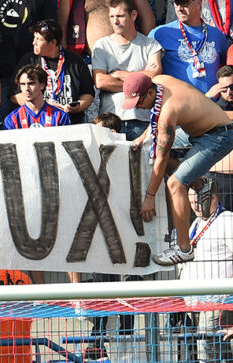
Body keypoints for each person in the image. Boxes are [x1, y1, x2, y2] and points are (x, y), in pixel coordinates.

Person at [124, 72, 233, 266]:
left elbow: (160, 159)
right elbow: (155, 125)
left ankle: (184, 249)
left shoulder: (168, 112)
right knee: (150, 145)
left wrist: (149, 197)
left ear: (149, 93)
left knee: (175, 184)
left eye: (138, 102)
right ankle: (200, 184)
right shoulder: (159, 80)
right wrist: (143, 137)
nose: (138, 107)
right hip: (200, 129)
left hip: (218, 136)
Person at [177, 180, 233, 363]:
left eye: (198, 201)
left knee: (213, 351)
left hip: (220, 300)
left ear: (213, 197)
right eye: (190, 203)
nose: (195, 207)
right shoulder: (196, 224)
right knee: (212, 351)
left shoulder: (226, 220)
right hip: (199, 304)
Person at [91, 0, 162, 141]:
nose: (115, 21)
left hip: (143, 119)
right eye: (111, 17)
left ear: (134, 15)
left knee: (143, 163)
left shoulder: (150, 44)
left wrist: (118, 74)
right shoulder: (102, 46)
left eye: (120, 16)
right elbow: (100, 81)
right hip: (110, 120)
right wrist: (140, 80)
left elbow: (154, 77)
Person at [150, 0, 228, 94]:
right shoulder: (160, 33)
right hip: (179, 105)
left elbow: (227, 70)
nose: (179, 8)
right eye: (176, 3)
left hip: (212, 106)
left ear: (198, 3)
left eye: (184, 3)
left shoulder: (217, 35)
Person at [3, 64, 73, 128]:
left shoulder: (60, 116)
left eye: (31, 83)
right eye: (23, 84)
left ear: (42, 85)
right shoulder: (12, 119)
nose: (26, 88)